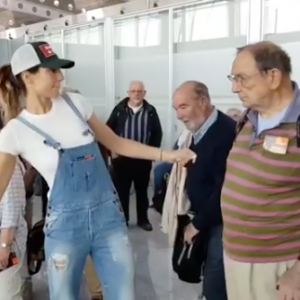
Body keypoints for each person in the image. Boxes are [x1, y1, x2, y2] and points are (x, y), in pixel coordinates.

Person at [0, 41, 196, 300]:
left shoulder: (76, 103)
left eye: (61, 70)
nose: (61, 76)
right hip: (64, 229)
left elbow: (116, 142)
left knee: (123, 294)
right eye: (52, 71)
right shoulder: (15, 132)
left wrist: (168, 155)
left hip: (109, 221)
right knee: (64, 296)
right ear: (28, 77)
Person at [222, 41, 300, 300]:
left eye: (242, 79)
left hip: (279, 266)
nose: (235, 88)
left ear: (274, 76)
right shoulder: (247, 119)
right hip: (236, 257)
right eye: (233, 79)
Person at [173, 81, 236, 300]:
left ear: (202, 102)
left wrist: (197, 225)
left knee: (216, 271)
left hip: (221, 220)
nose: (179, 115)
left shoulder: (225, 132)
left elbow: (224, 188)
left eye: (183, 107)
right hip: (206, 216)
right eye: (176, 109)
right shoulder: (197, 132)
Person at [107, 81, 163, 231]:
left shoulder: (151, 111)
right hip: (121, 160)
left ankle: (143, 220)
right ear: (128, 93)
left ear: (144, 93)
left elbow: (157, 133)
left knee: (142, 192)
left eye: (139, 91)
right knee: (122, 192)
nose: (136, 94)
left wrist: (151, 152)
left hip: (142, 160)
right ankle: (123, 221)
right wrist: (111, 151)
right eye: (133, 91)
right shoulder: (119, 110)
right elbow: (107, 130)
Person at [0, 157, 28, 300]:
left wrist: (5, 245)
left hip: (5, 244)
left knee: (7, 293)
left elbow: (12, 208)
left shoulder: (7, 163)